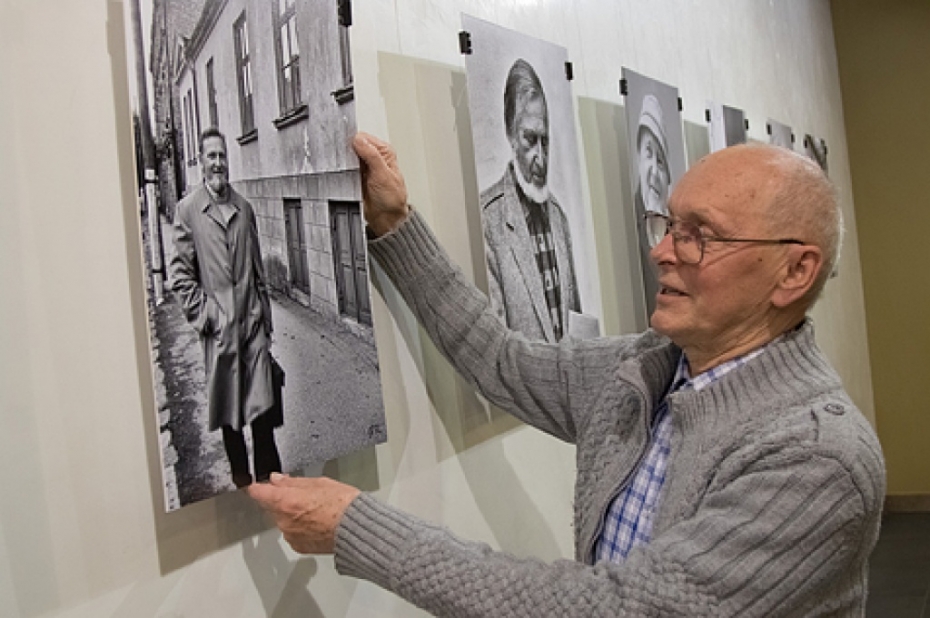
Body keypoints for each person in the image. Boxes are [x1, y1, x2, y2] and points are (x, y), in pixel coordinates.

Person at [248, 133, 885, 616]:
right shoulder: (642, 370)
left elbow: (620, 609)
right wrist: (393, 221)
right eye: (667, 224)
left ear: (794, 272)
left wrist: (361, 530)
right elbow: (498, 359)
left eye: (700, 236)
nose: (661, 249)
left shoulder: (818, 458)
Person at [171, 127, 282, 489]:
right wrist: (211, 319)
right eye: (211, 156)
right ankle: (244, 491)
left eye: (222, 156)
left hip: (252, 333)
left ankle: (272, 489)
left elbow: (257, 271)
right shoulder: (188, 211)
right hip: (221, 339)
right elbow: (181, 278)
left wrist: (265, 324)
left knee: (264, 424)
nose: (218, 163)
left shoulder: (244, 209)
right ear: (201, 163)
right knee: (232, 423)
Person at [480, 58, 580, 342]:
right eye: (530, 139)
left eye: (545, 141)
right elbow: (497, 348)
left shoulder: (559, 218)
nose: (540, 157)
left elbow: (577, 326)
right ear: (511, 135)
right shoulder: (488, 219)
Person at [634, 94, 673, 313]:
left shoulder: (666, 227)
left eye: (660, 161)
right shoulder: (634, 223)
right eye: (648, 152)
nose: (654, 171)